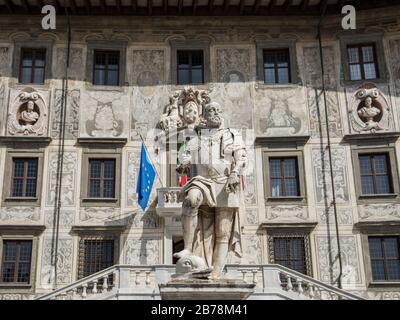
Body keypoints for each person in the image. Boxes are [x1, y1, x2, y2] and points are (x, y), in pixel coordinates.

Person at [174, 102, 247, 279]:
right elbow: (185, 161)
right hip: (204, 182)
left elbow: (242, 158)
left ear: (221, 113)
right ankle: (188, 247)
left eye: (216, 109)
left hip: (226, 185)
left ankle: (215, 273)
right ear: (204, 115)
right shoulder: (196, 138)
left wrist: (235, 173)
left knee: (223, 231)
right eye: (209, 110)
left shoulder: (233, 135)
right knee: (191, 200)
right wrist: (183, 165)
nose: (213, 112)